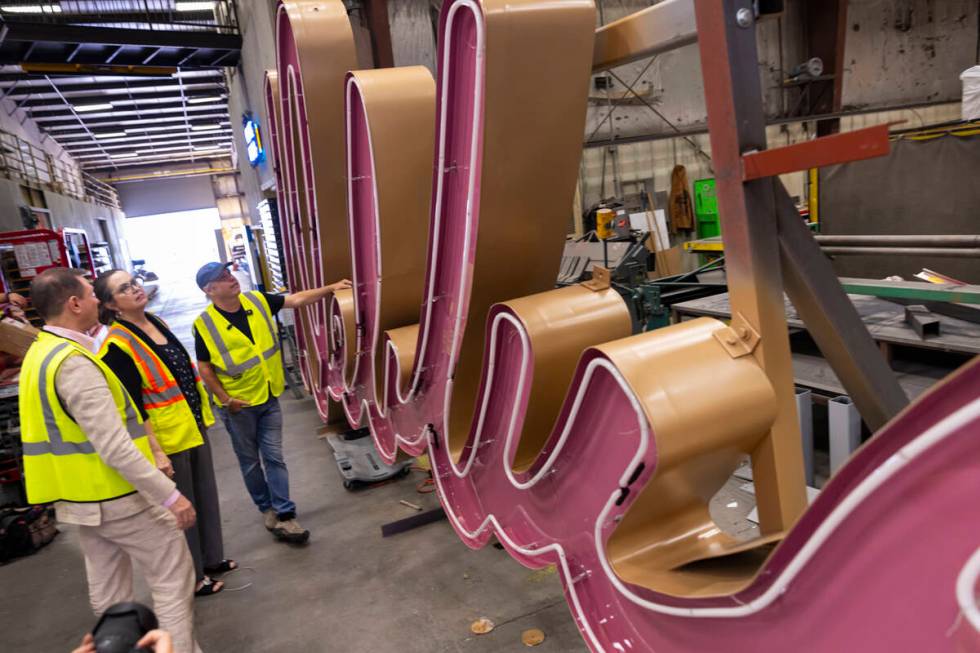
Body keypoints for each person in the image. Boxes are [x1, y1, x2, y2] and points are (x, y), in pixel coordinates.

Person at [19, 268, 201, 653]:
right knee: (172, 579)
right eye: (91, 293)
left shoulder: (40, 353)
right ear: (73, 304)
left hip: (78, 501)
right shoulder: (74, 364)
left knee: (109, 596)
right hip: (118, 498)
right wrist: (171, 496)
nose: (98, 300)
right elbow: (115, 446)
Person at [94, 269, 236, 597]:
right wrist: (155, 450)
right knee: (181, 509)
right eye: (124, 289)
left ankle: (212, 559)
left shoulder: (157, 322)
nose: (135, 289)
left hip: (190, 424)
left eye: (133, 283)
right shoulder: (117, 345)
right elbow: (133, 406)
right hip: (166, 438)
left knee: (206, 495)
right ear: (113, 305)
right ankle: (193, 577)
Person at [192, 261, 350, 543]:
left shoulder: (256, 300)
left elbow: (297, 299)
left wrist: (330, 288)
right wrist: (226, 400)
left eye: (229, 273)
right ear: (210, 289)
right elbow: (205, 367)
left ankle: (285, 514)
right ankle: (266, 508)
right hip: (238, 406)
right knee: (251, 462)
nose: (231, 279)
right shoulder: (204, 324)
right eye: (223, 277)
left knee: (274, 457)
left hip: (268, 396)